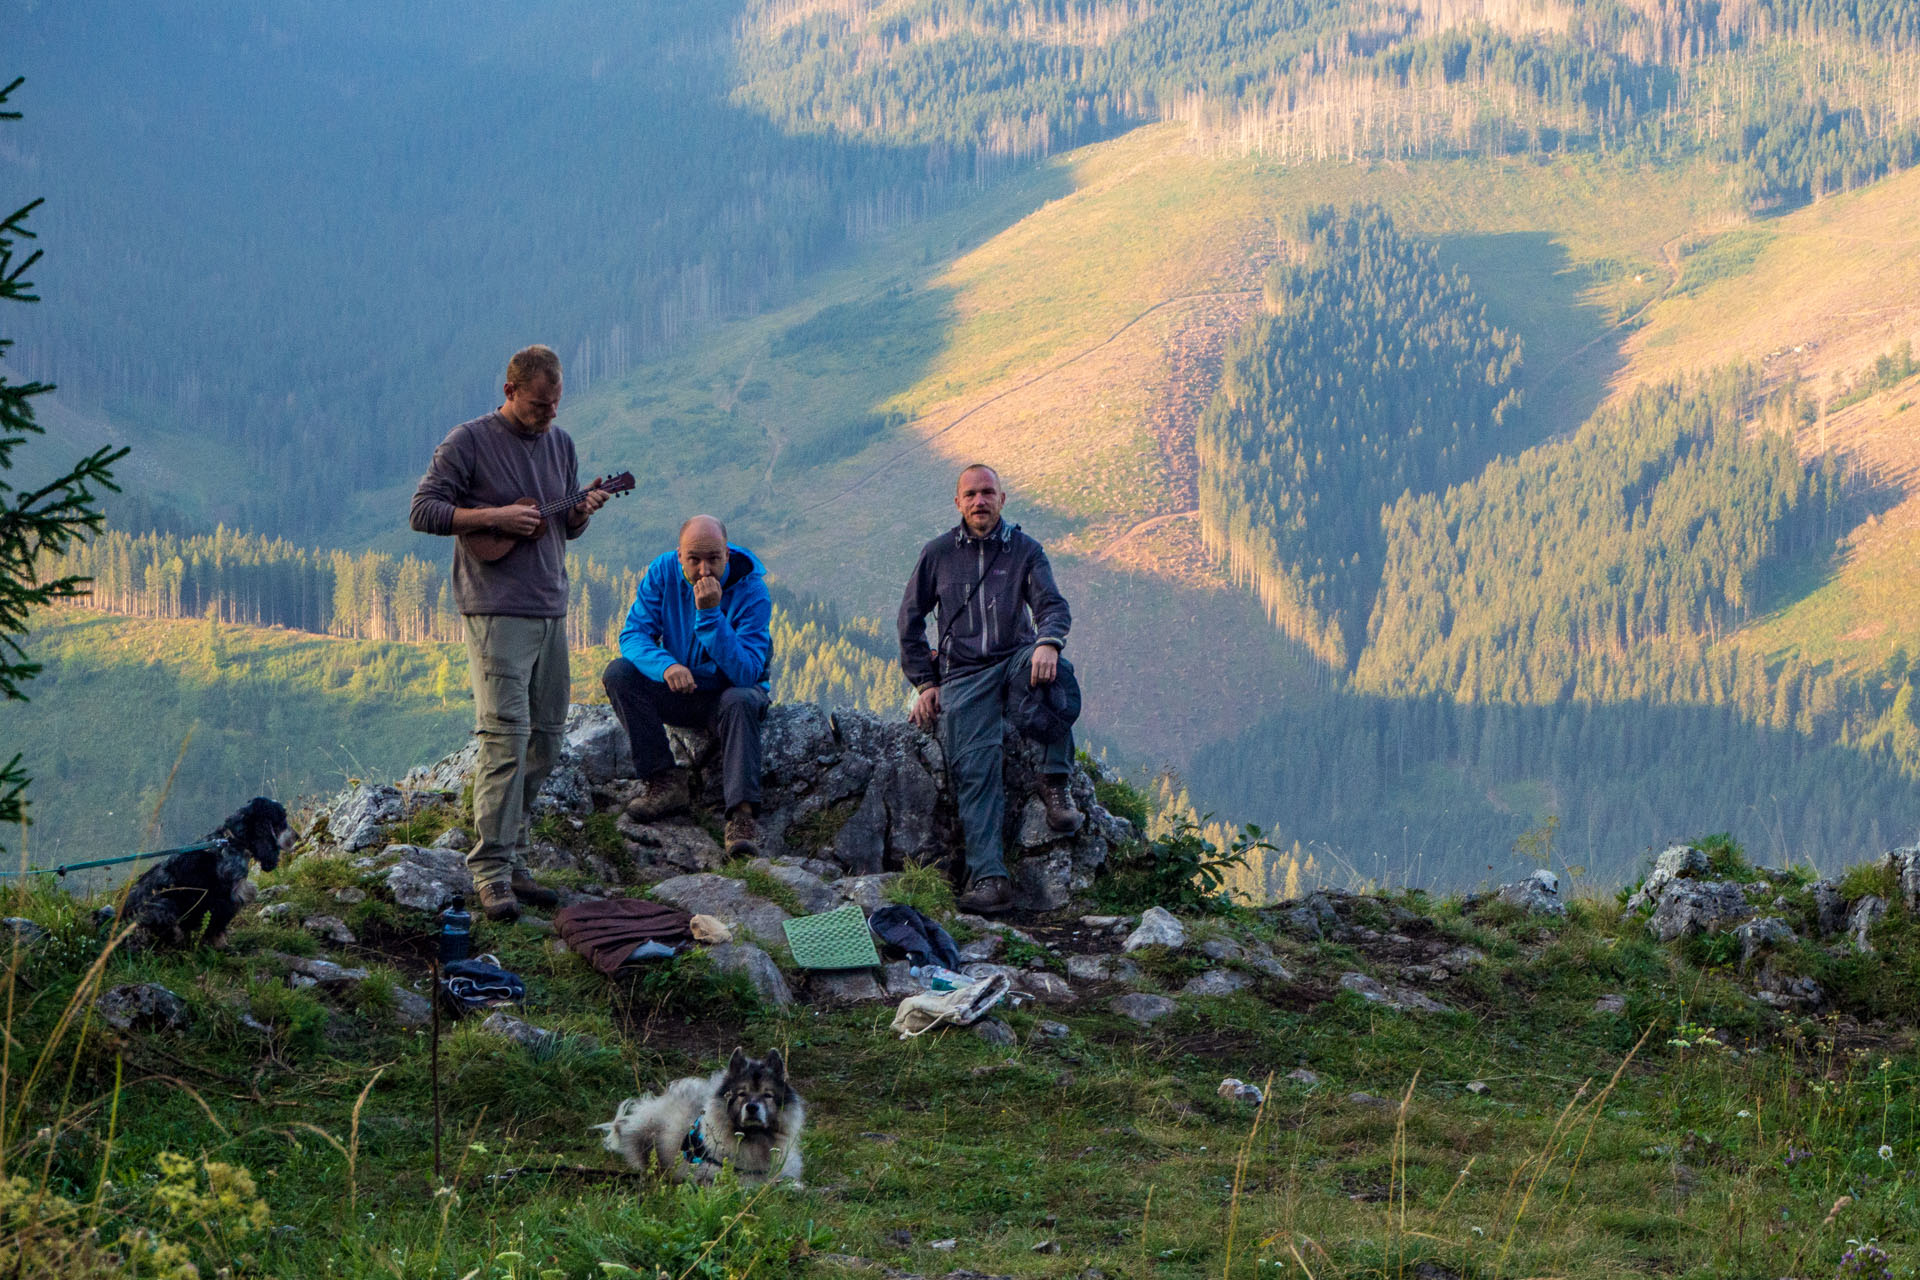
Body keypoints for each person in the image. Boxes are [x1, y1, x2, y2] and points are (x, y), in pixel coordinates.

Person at [409, 344, 609, 922]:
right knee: (504, 738)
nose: (549, 415)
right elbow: (423, 510)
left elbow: (561, 531)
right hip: (495, 609)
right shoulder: (468, 441)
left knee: (546, 737)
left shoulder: (562, 445)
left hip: (551, 605)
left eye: (555, 404)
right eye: (539, 405)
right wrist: (493, 517)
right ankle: (490, 870)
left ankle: (516, 855)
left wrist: (581, 511)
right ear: (509, 392)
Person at [898, 463, 1083, 914]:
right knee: (975, 770)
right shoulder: (937, 553)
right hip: (963, 676)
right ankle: (990, 879)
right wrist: (926, 682)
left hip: (1016, 659)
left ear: (1003, 499)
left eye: (988, 493)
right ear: (958, 503)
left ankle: (1055, 784)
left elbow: (1053, 607)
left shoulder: (1026, 551)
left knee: (1057, 671)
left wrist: (1047, 643)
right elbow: (910, 621)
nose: (979, 501)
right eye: (971, 494)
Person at [602, 515, 773, 857]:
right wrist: (666, 666)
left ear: (727, 554)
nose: (704, 570)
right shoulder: (663, 572)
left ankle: (741, 815)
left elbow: (748, 672)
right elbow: (633, 635)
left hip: (727, 694)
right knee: (619, 674)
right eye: (694, 560)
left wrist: (710, 616)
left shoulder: (752, 590)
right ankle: (664, 780)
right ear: (679, 555)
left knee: (741, 699)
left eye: (713, 559)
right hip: (680, 686)